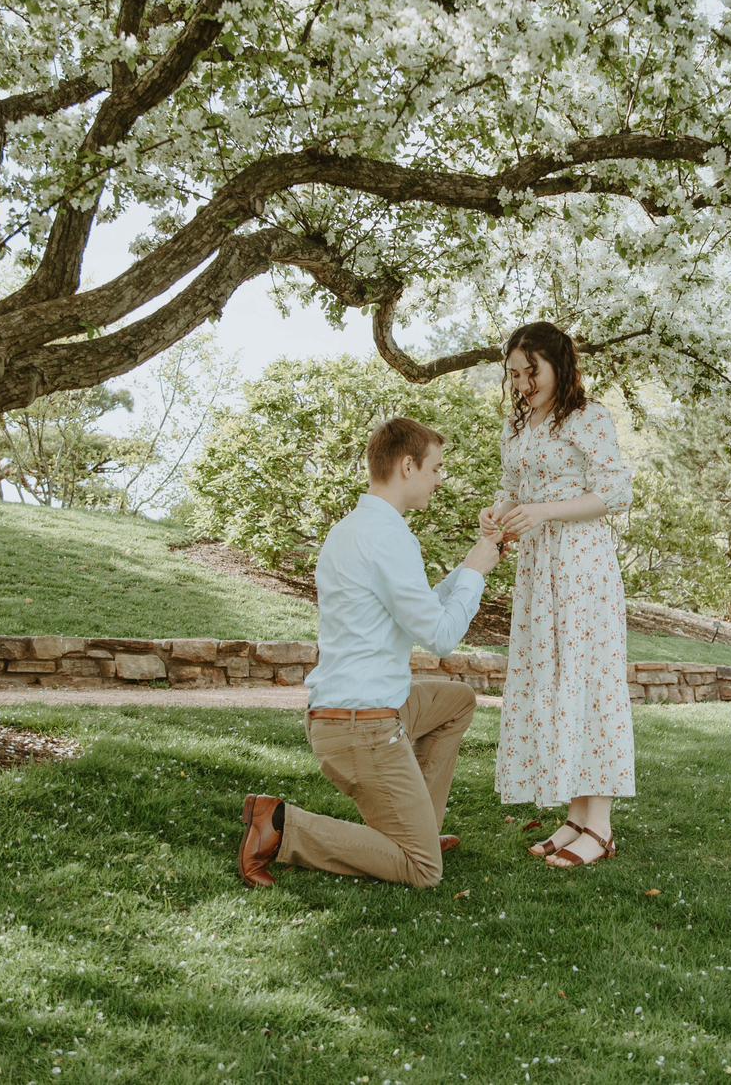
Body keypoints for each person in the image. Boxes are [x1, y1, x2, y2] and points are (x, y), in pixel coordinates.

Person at [238, 416, 505, 889]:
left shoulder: (357, 528)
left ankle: (420, 824)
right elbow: (441, 636)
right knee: (424, 870)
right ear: (407, 466)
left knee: (456, 702)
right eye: (436, 469)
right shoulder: (388, 536)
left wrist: (474, 559)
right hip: (361, 727)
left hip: (360, 710)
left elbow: (417, 607)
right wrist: (477, 575)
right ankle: (280, 828)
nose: (440, 481)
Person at [486, 321, 636, 868]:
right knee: (554, 681)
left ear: (559, 365)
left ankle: (601, 824)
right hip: (538, 570)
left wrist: (543, 512)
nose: (524, 383)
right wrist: (498, 511)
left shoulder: (587, 418)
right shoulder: (520, 424)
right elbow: (513, 489)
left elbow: (616, 491)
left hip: (581, 566)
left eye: (533, 372)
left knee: (587, 678)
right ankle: (576, 815)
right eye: (516, 374)